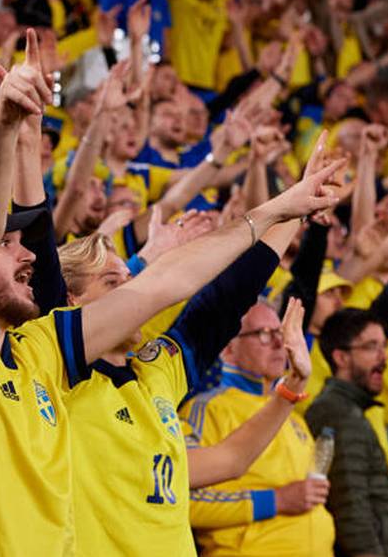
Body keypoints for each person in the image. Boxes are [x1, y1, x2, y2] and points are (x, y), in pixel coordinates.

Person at [0, 29, 341, 555]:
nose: (25, 254)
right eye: (6, 246)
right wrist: (4, 132)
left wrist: (280, 211)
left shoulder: (48, 352)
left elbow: (176, 284)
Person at [60, 224, 314, 556]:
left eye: (131, 281)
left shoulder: (158, 370)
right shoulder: (57, 378)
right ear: (69, 301)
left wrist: (291, 211)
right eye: (112, 283)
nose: (133, 294)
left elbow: (230, 460)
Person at [183, 302, 335, 556]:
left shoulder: (294, 415)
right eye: (263, 334)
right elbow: (180, 499)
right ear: (228, 348)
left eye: (280, 333)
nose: (279, 344)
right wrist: (276, 501)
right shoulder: (207, 409)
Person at [305, 309, 388, 556]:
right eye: (372, 347)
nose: (384, 357)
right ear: (341, 357)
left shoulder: (349, 410)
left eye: (385, 346)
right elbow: (350, 506)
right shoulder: (337, 413)